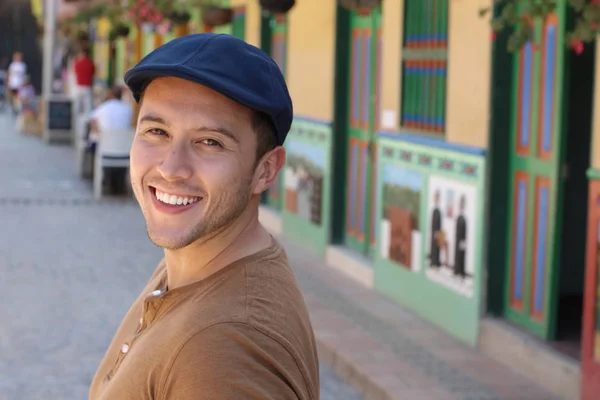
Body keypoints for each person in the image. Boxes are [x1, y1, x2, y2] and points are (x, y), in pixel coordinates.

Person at [89, 34, 319, 400]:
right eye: (156, 131)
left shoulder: (224, 349)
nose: (171, 168)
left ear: (266, 169)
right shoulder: (192, 259)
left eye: (210, 141)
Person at [88, 86, 134, 194]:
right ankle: (119, 183)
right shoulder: (127, 109)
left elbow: (93, 124)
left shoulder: (102, 108)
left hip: (104, 150)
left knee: (93, 146)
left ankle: (99, 178)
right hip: (124, 152)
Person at [73, 47, 96, 114]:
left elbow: (75, 72)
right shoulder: (91, 63)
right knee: (87, 107)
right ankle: (87, 121)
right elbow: (93, 73)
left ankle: (76, 120)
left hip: (79, 86)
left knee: (77, 106)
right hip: (88, 86)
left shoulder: (78, 63)